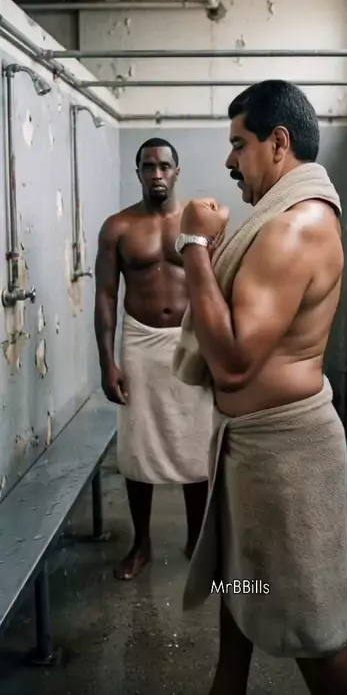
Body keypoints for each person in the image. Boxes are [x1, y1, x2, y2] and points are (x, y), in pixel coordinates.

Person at [172, 81, 347, 695]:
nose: (230, 161)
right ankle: (226, 684)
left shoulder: (296, 227)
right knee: (240, 587)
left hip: (288, 456)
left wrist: (193, 246)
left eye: (239, 144)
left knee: (314, 625)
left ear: (278, 143)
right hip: (252, 449)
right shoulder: (281, 221)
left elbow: (233, 365)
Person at [94, 137, 214, 580]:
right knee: (138, 446)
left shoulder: (200, 223)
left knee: (196, 443)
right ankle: (141, 543)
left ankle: (197, 539)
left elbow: (217, 289)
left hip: (190, 341)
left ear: (177, 172)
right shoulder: (118, 227)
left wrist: (218, 352)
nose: (157, 173)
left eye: (165, 166)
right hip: (140, 344)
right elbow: (106, 297)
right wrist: (107, 362)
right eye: (149, 166)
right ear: (139, 173)